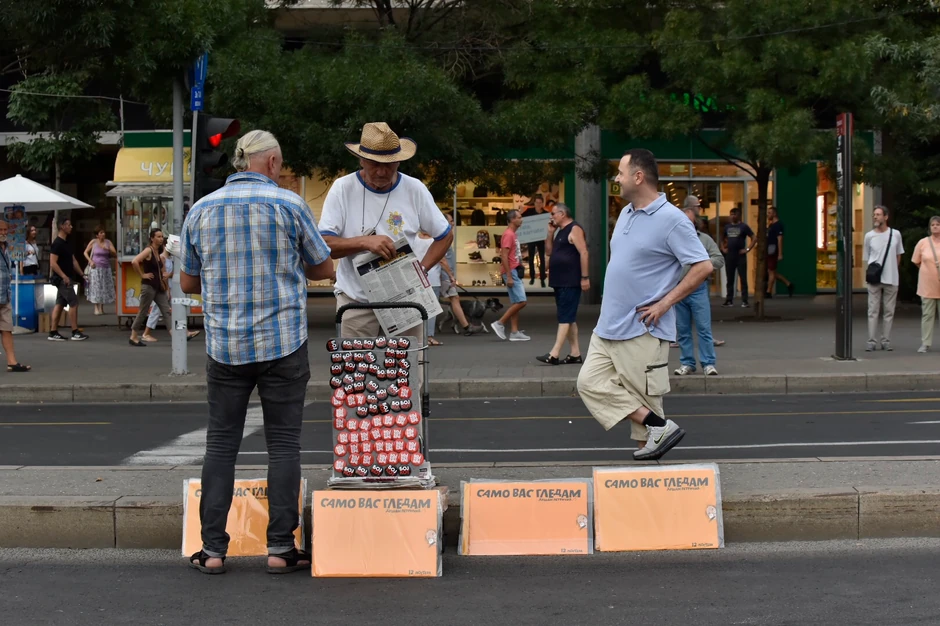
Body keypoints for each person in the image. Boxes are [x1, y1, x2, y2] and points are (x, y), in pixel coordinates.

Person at [180, 129, 333, 575]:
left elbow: (189, 283)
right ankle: (281, 549)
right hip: (283, 343)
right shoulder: (289, 204)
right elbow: (322, 267)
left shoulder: (201, 210)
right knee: (283, 445)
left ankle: (212, 551)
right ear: (271, 164)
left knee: (220, 444)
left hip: (225, 344)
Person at [577, 149, 711, 461]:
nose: (616, 178)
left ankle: (647, 488)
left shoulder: (673, 220)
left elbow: (702, 267)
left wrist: (665, 304)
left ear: (638, 177)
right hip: (608, 325)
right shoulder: (626, 213)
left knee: (644, 431)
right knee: (589, 383)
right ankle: (659, 426)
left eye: (620, 172)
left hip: (643, 329)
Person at [318, 122, 452, 337]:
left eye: (389, 164)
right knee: (356, 368)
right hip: (356, 300)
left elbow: (444, 235)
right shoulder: (343, 188)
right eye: (373, 164)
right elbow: (325, 244)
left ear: (399, 161)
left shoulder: (414, 188)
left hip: (405, 299)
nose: (381, 171)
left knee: (407, 367)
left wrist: (423, 270)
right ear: (361, 159)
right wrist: (364, 242)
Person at [673, 196, 723, 376]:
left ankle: (708, 363)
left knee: (704, 328)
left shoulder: (704, 239)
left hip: (698, 289)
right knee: (683, 330)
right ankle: (687, 363)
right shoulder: (674, 240)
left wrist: (703, 265)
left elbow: (719, 259)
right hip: (679, 289)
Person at [537, 202, 588, 365]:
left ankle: (554, 353)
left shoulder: (575, 229)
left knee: (565, 317)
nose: (551, 217)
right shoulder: (560, 231)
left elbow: (584, 252)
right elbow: (549, 251)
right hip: (559, 280)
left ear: (562, 214)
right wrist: (550, 234)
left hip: (570, 280)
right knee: (569, 317)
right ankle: (575, 353)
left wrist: (585, 277)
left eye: (553, 214)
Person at [139, 244, 200, 343]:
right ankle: (146, 333)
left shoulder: (170, 258)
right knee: (156, 311)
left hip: (170, 288)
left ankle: (185, 331)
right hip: (164, 289)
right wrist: (166, 290)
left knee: (177, 310)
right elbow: (164, 275)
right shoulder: (162, 258)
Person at [864, 205, 904, 352]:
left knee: (889, 311)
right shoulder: (869, 236)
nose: (875, 217)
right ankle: (871, 341)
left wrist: (893, 270)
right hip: (874, 279)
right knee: (872, 310)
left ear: (886, 217)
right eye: (874, 214)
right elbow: (867, 257)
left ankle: (885, 340)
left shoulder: (896, 234)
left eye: (879, 214)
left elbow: (899, 255)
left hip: (891, 278)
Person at [48, 218, 89, 342]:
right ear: (62, 226)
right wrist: (64, 276)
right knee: (74, 302)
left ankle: (53, 331)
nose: (71, 227)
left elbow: (73, 261)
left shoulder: (67, 243)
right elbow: (53, 263)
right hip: (62, 279)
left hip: (67, 277)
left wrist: (82, 274)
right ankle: (75, 331)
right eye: (68, 225)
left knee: (60, 304)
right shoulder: (57, 244)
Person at [491, 209, 529, 341]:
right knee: (522, 301)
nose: (521, 219)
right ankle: (500, 323)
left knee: (516, 302)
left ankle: (514, 332)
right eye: (519, 217)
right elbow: (504, 256)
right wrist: (509, 276)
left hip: (513, 269)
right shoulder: (508, 235)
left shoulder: (512, 234)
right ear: (512, 220)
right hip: (511, 271)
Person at [438, 213, 479, 335]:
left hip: (445, 275)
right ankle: (466, 326)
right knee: (455, 298)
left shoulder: (446, 237)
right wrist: (450, 276)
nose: (453, 223)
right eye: (451, 221)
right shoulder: (443, 238)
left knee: (449, 299)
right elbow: (442, 259)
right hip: (445, 276)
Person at [0, 220, 30, 372]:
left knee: (6, 329)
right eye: (1, 230)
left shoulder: (5, 248)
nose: (4, 233)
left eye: (5, 230)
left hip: (4, 294)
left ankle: (12, 362)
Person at [912, 216, 940, 353]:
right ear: (929, 227)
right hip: (927, 285)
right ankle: (925, 343)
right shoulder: (923, 243)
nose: (935, 227)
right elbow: (916, 261)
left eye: (938, 224)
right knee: (927, 315)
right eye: (933, 225)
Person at [413, 231, 443, 345]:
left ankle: (417, 336)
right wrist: (450, 275)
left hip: (417, 277)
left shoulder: (415, 239)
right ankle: (429, 337)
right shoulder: (435, 241)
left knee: (418, 308)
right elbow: (442, 260)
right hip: (433, 277)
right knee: (431, 309)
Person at [720, 207, 755, 308]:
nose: (733, 216)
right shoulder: (727, 227)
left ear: (739, 215)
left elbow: (754, 237)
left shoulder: (743, 226)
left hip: (740, 255)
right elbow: (722, 238)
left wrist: (747, 249)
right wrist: (723, 248)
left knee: (743, 278)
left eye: (735, 214)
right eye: (731, 214)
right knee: (729, 278)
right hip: (730, 255)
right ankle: (729, 300)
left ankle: (745, 300)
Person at [83, 226, 116, 315]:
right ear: (97, 235)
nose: (103, 234)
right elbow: (85, 252)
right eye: (101, 233)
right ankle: (96, 307)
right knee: (96, 287)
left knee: (103, 287)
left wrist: (107, 249)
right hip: (95, 268)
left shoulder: (108, 242)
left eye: (104, 232)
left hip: (105, 268)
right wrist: (90, 261)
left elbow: (115, 253)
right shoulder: (94, 242)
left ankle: (101, 307)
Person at [765, 206, 794, 298]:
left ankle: (768, 292)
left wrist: (780, 253)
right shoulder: (771, 225)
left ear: (774, 214)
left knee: (771, 271)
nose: (768, 214)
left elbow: (780, 239)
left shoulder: (778, 225)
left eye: (769, 213)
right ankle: (788, 284)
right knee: (771, 271)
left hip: (773, 250)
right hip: (769, 249)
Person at [522, 194, 547, 288]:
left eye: (540, 203)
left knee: (542, 258)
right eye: (537, 202)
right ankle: (532, 277)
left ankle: (542, 279)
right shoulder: (529, 211)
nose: (538, 204)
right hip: (531, 237)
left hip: (541, 238)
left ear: (542, 203)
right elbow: (521, 219)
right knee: (531, 258)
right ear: (534, 203)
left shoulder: (545, 213)